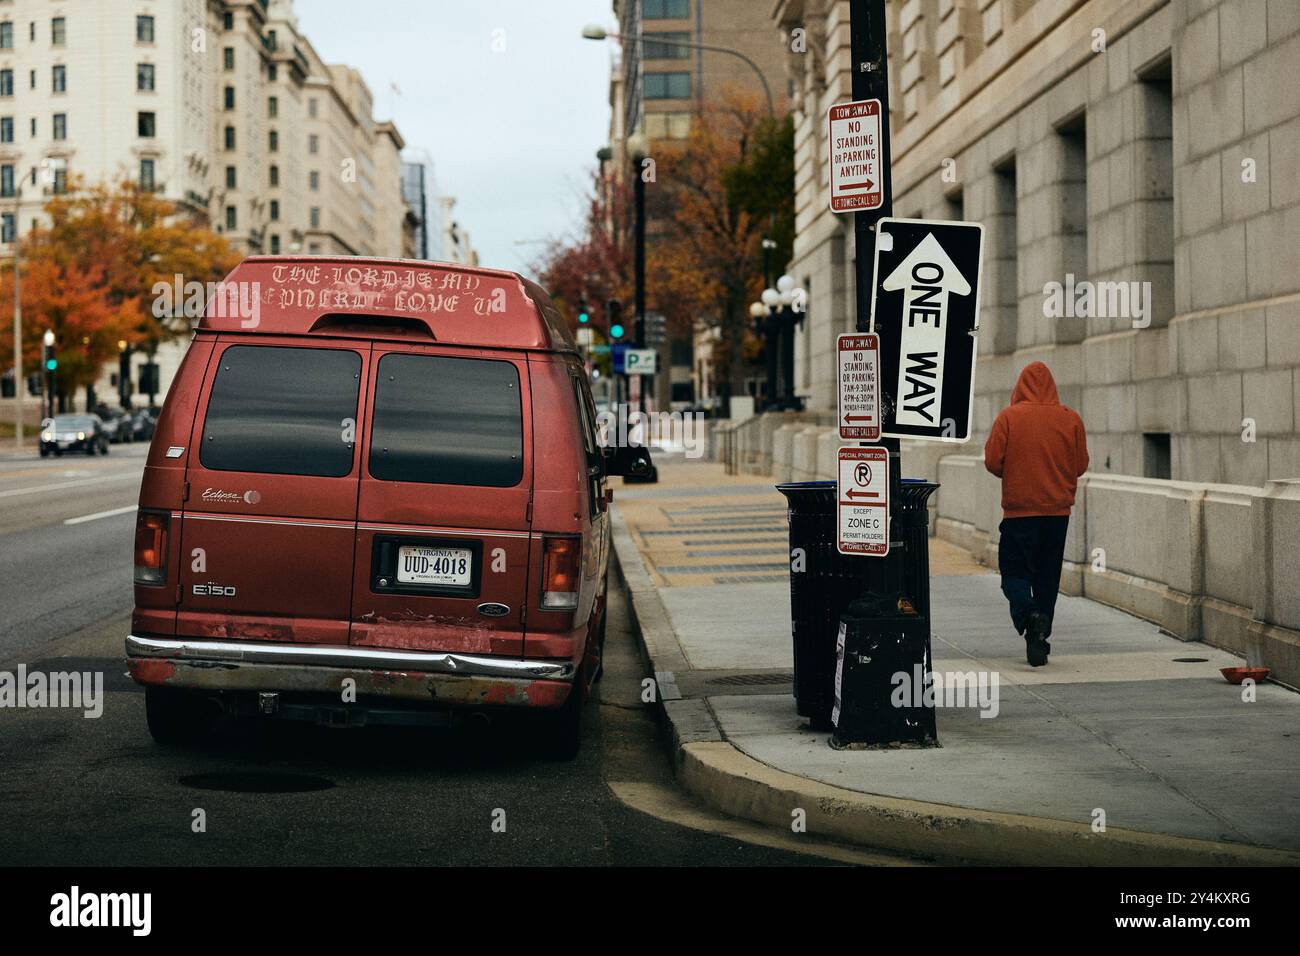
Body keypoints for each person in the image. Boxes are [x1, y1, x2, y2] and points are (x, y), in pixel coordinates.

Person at [983, 361, 1089, 666]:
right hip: (1058, 515)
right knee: (1046, 577)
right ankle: (1039, 640)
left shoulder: (1008, 418)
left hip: (1020, 514)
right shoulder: (1070, 419)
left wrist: (1016, 470)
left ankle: (1030, 615)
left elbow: (992, 461)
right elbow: (1080, 464)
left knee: (1013, 575)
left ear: (1020, 387)